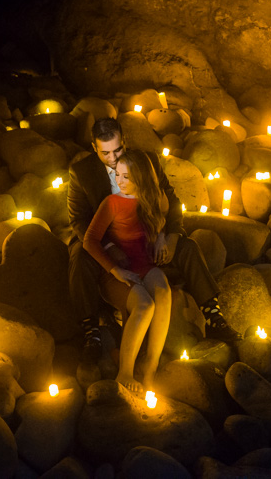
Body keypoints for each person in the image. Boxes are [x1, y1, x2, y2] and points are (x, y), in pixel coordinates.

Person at [68, 117, 241, 370]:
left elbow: (171, 202)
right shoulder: (82, 172)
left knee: (188, 247)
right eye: (105, 153)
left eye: (118, 150)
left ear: (124, 142)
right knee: (79, 255)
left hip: (145, 233)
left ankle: (213, 315)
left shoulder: (146, 160)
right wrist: (108, 247)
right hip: (104, 235)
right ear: (95, 148)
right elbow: (78, 220)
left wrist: (168, 236)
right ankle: (91, 331)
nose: (113, 158)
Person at [82, 151, 170, 392]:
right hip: (117, 272)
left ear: (141, 178)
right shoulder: (111, 203)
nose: (119, 182)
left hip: (144, 265)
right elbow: (89, 240)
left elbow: (163, 216)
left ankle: (150, 369)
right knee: (145, 306)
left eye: (126, 177)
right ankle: (125, 373)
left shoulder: (154, 199)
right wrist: (115, 271)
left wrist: (161, 235)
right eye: (117, 175)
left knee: (162, 291)